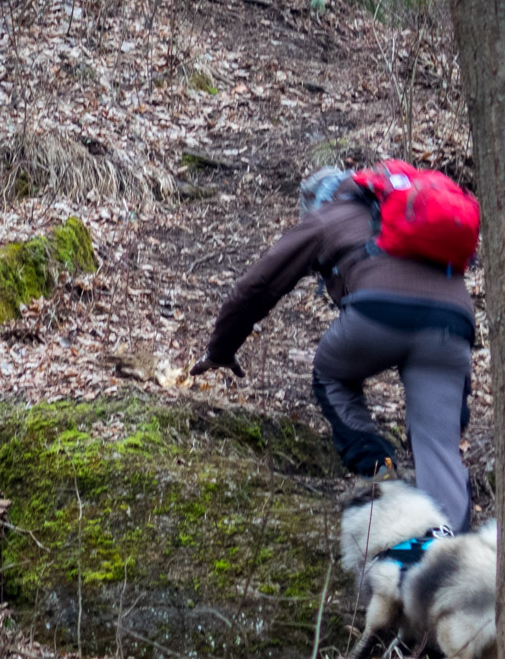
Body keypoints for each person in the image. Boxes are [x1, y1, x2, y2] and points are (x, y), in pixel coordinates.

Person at [190, 165, 477, 532]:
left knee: (332, 374)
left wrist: (220, 349)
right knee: (438, 444)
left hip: (378, 314)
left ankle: (379, 470)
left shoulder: (326, 217)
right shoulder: (404, 210)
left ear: (313, 202)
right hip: (452, 325)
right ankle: (449, 549)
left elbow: (257, 287)